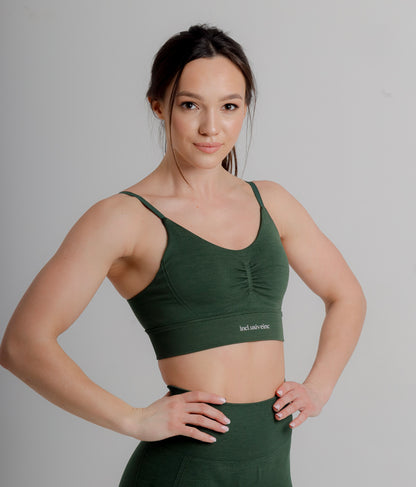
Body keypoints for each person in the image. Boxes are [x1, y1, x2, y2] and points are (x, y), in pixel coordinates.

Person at [0, 24, 366, 486]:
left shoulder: (272, 202)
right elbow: (22, 344)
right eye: (190, 105)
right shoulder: (122, 218)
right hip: (183, 471)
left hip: (272, 466)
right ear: (159, 105)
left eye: (229, 107)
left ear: (245, 108)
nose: (211, 127)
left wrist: (319, 387)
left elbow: (346, 296)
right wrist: (133, 419)